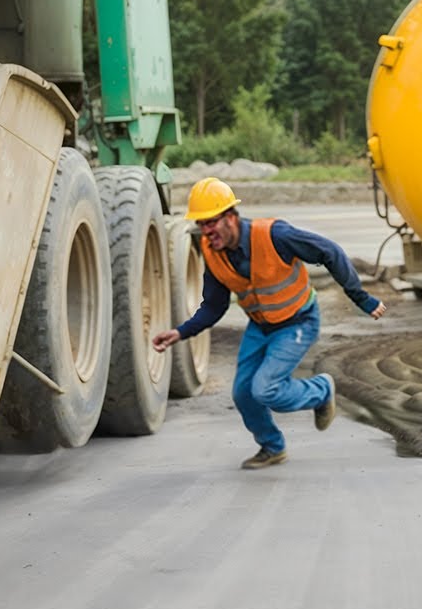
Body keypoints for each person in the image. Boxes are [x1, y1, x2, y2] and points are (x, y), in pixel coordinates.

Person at [152, 177, 387, 470]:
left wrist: (361, 298)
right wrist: (179, 332)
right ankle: (272, 447)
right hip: (261, 327)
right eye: (202, 224)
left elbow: (330, 252)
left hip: (298, 322)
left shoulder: (274, 235)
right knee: (242, 393)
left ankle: (321, 391)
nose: (207, 231)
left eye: (211, 222)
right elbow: (214, 306)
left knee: (265, 390)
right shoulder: (212, 252)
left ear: (230, 217)